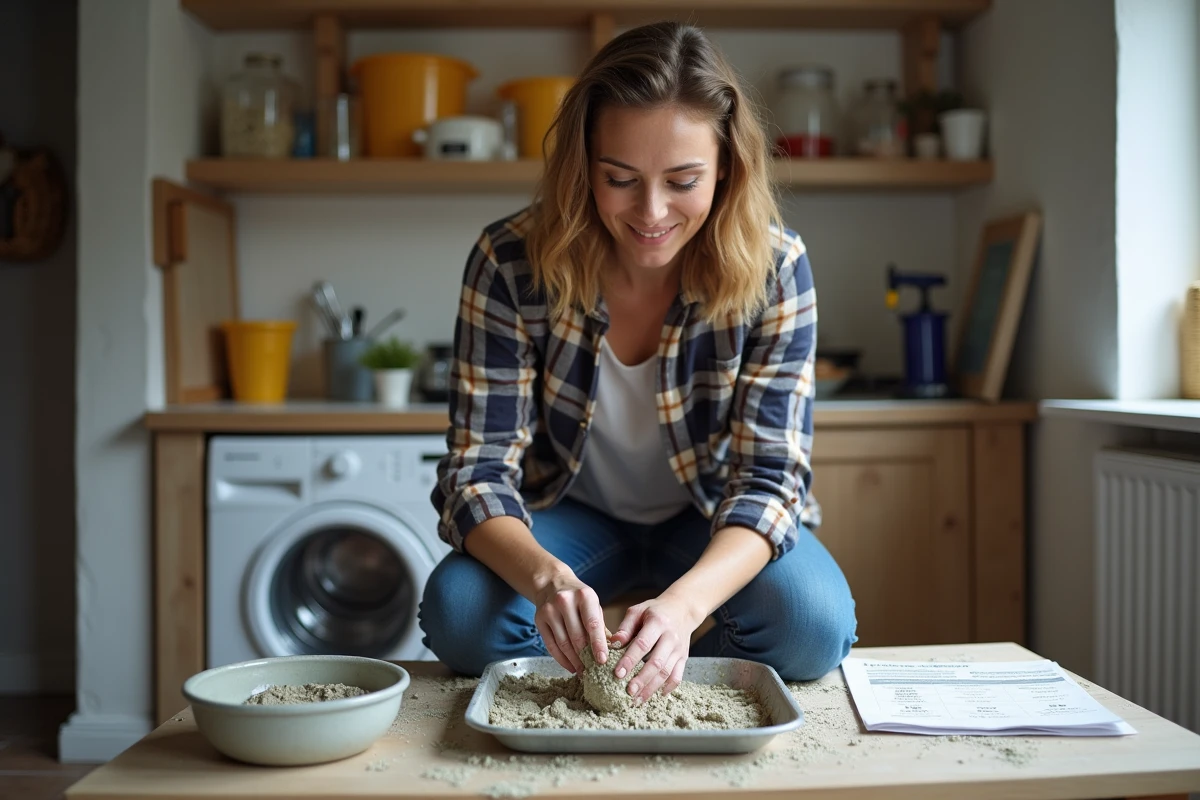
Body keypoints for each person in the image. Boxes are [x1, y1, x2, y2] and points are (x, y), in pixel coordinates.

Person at [419, 21, 857, 704]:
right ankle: (609, 669)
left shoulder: (776, 267)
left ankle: (647, 675)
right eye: (619, 179)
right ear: (583, 167)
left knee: (809, 627)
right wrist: (548, 582)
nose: (651, 212)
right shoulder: (509, 263)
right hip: (567, 515)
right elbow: (476, 471)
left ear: (725, 170)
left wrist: (683, 610)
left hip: (711, 515)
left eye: (683, 180)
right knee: (458, 615)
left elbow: (772, 480)